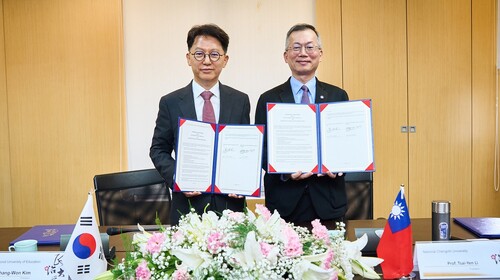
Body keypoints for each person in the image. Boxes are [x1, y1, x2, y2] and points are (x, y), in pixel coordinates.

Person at [150, 24, 250, 225]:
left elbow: (245, 149)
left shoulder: (240, 100)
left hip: (231, 209)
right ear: (188, 58)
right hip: (187, 208)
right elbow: (158, 150)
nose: (206, 61)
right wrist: (179, 178)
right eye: (199, 54)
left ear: (225, 60)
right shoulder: (170, 102)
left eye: (214, 54)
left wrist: (244, 181)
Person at [255, 23, 349, 229]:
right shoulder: (269, 99)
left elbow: (347, 145)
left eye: (310, 47)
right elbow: (260, 151)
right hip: (284, 204)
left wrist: (340, 167)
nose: (303, 53)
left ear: (320, 53)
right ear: (285, 56)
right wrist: (285, 171)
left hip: (328, 204)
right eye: (296, 48)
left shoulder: (338, 96)